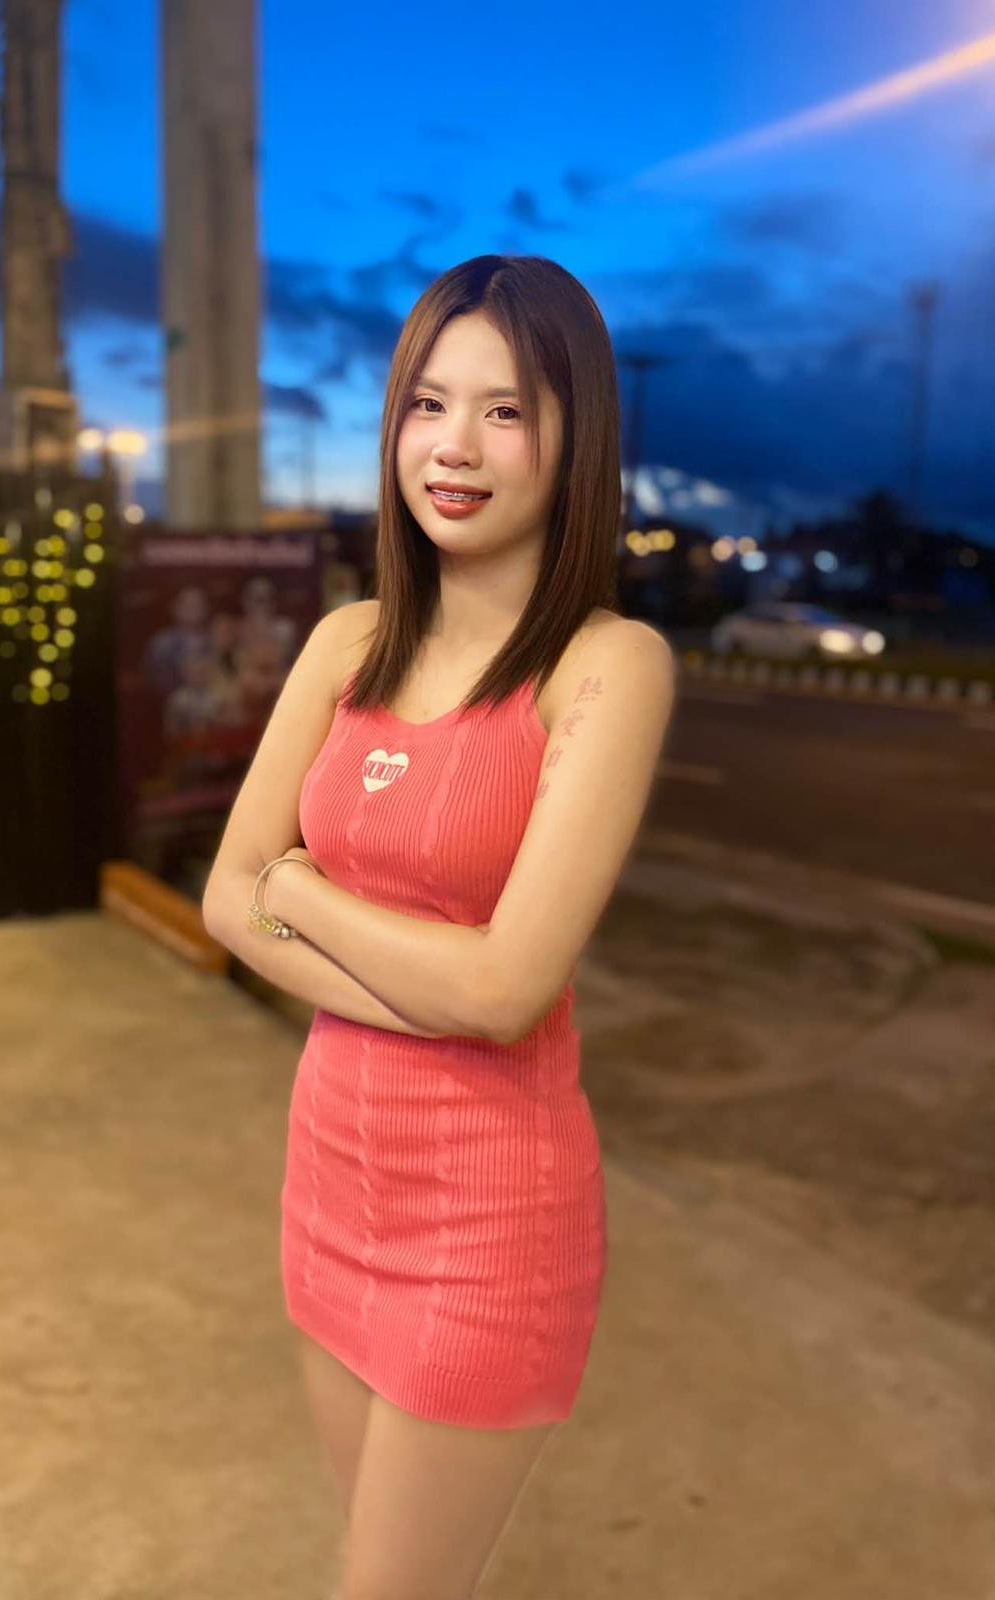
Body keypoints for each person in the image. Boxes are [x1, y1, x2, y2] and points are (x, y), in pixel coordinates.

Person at [203, 254, 677, 1600]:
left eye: (506, 410)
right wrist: (436, 981)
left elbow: (506, 994)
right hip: (328, 1181)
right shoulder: (344, 644)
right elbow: (222, 897)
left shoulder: (605, 666)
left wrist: (301, 893)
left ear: (577, 437)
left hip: (486, 1220)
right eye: (427, 402)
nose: (453, 446)